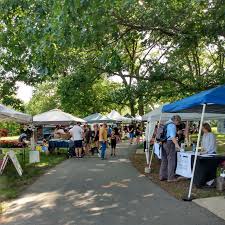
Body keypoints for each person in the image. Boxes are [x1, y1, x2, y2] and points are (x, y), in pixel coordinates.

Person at [159, 115, 181, 182]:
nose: (178, 124)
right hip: (169, 143)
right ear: (176, 120)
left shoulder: (166, 123)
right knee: (171, 160)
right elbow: (172, 137)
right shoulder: (172, 125)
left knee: (164, 160)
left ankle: (162, 176)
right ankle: (170, 178)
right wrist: (177, 145)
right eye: (178, 122)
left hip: (163, 142)